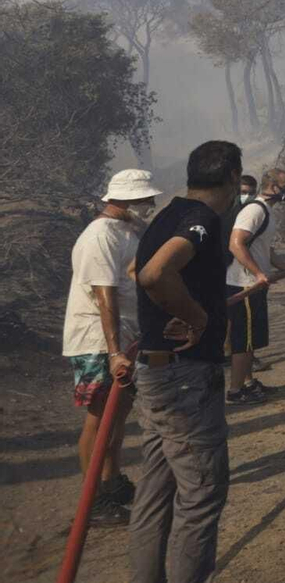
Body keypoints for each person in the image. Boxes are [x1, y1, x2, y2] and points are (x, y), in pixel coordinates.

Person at [128, 139, 242, 583]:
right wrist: (196, 318)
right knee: (202, 494)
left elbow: (136, 272)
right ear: (233, 177)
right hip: (185, 379)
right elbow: (154, 274)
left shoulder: (168, 215)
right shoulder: (202, 221)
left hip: (156, 377)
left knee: (155, 494)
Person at [62, 168, 158, 527]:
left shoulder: (129, 230)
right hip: (98, 340)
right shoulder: (99, 236)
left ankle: (112, 481)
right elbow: (106, 296)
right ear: (124, 199)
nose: (149, 204)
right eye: (144, 199)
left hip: (126, 336)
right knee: (100, 417)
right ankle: (94, 500)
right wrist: (115, 350)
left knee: (118, 415)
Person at [223, 168, 285, 403]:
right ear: (273, 187)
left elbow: (264, 249)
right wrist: (259, 274)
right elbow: (236, 244)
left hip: (254, 283)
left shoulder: (267, 212)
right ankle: (234, 392)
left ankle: (249, 384)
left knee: (250, 339)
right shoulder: (254, 210)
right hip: (244, 285)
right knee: (243, 341)